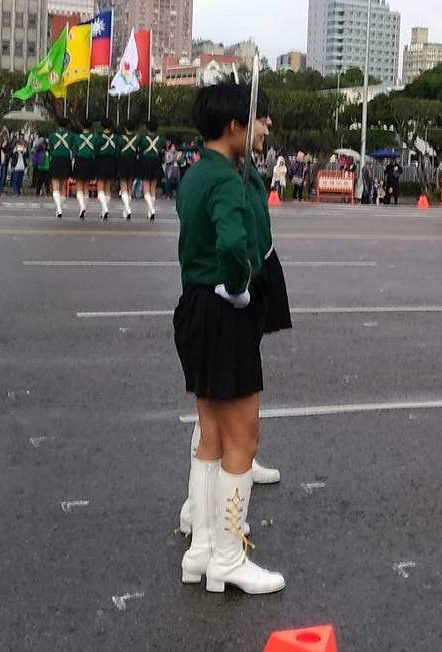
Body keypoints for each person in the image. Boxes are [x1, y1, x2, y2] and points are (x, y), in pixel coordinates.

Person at [173, 79, 285, 596]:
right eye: (254, 120)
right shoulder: (228, 181)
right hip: (222, 309)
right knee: (243, 438)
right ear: (235, 126)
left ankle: (201, 551)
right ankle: (228, 556)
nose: (261, 127)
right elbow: (235, 241)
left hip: (194, 307)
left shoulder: (199, 172)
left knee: (211, 438)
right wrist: (239, 287)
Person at [47, 119, 74, 218]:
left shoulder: (52, 136)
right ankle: (60, 207)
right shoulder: (70, 136)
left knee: (55, 186)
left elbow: (50, 149)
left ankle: (58, 208)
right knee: (63, 186)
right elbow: (72, 148)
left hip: (55, 160)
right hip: (66, 160)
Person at [73, 120, 98, 219]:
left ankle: (81, 207)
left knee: (79, 185)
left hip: (80, 160)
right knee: (86, 187)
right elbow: (96, 150)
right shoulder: (94, 138)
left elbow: (74, 151)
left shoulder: (77, 137)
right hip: (90, 161)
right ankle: (84, 208)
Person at [96, 120, 120, 219]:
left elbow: (96, 150)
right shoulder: (116, 138)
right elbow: (118, 152)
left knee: (100, 186)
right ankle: (104, 210)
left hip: (101, 161)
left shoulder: (99, 137)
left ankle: (104, 209)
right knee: (107, 187)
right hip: (112, 161)